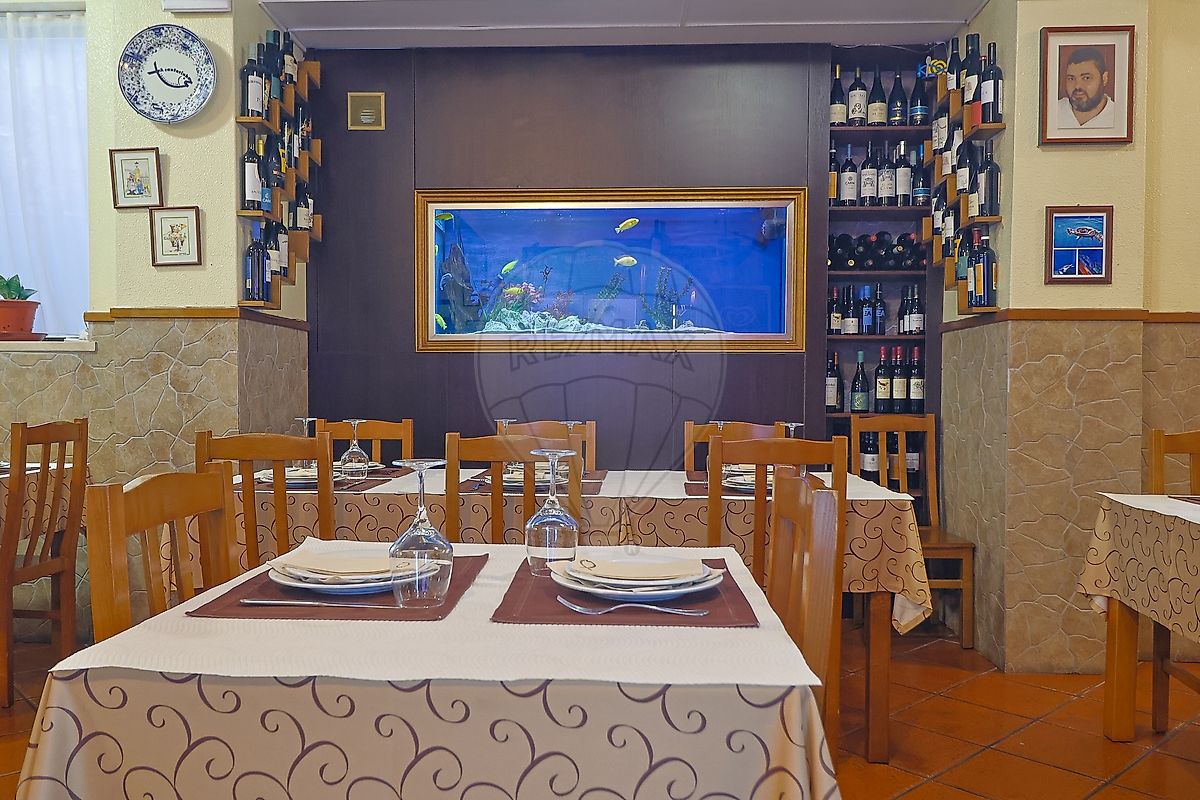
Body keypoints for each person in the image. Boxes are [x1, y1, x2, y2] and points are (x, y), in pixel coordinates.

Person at [1057, 46, 1119, 129]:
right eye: (1071, 78)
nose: (1077, 86)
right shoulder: (1053, 111)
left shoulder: (1119, 118)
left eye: (1086, 78)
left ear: (1104, 79)